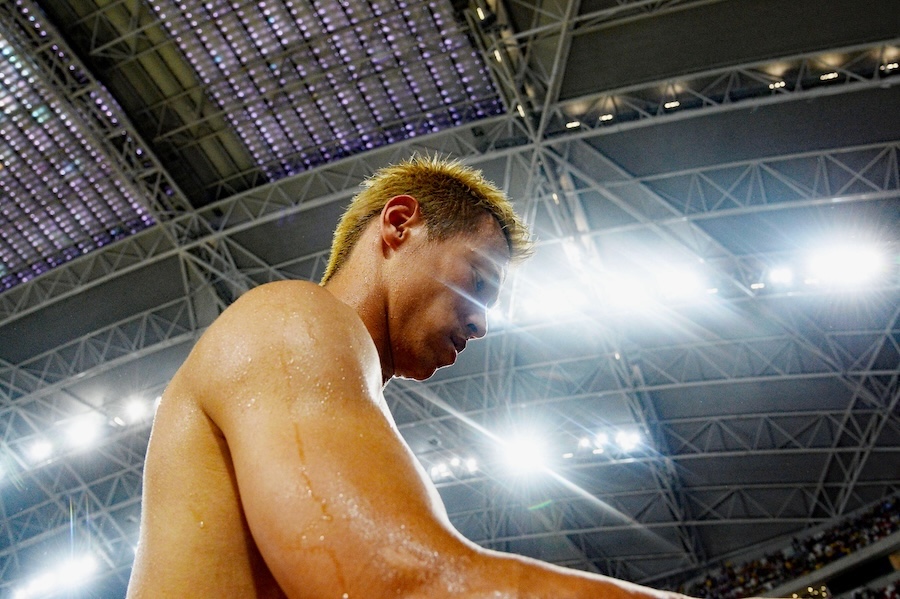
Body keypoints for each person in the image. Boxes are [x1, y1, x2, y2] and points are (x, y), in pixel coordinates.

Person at [127, 155, 683, 598]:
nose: (481, 323)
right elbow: (401, 582)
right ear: (399, 225)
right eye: (479, 280)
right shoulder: (291, 319)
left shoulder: (325, 373)